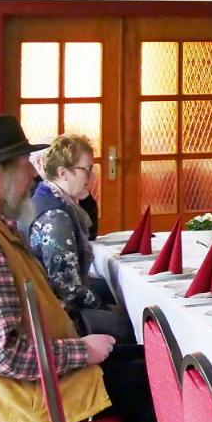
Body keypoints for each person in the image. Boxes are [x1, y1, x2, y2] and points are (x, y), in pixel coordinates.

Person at [0, 115, 158, 422]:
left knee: (153, 360)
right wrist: (83, 351)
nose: (34, 173)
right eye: (24, 163)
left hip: (33, 383)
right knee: (161, 384)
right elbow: (1, 356)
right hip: (28, 397)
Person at [28, 134, 133, 342]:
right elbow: (66, 287)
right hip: (59, 315)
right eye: (86, 170)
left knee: (115, 294)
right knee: (135, 327)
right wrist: (104, 308)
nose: (92, 177)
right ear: (63, 173)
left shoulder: (47, 196)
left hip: (54, 303)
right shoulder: (56, 217)